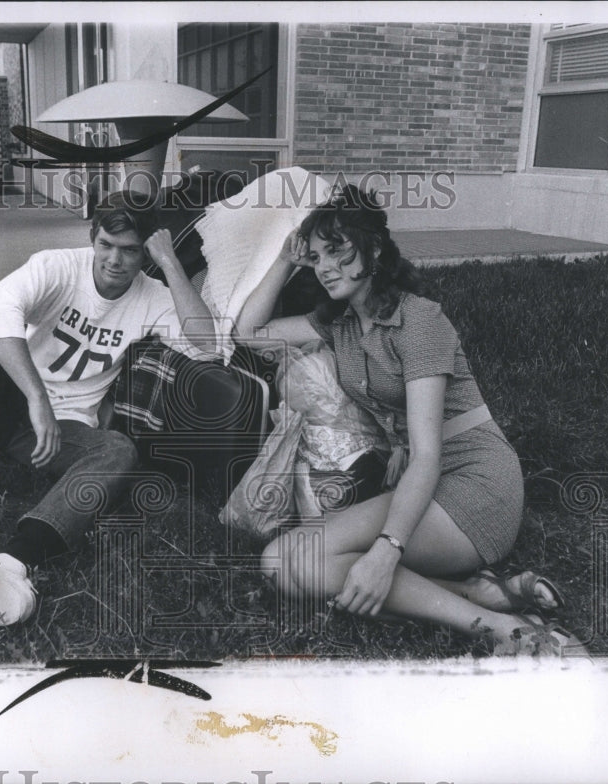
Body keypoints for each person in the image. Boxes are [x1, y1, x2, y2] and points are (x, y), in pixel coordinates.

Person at [234, 185, 581, 656]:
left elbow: (428, 454)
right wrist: (283, 261)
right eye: (315, 257)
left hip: (475, 485)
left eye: (337, 250)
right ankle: (474, 591)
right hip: (422, 482)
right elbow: (249, 333)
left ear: (374, 248)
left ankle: (497, 625)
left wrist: (385, 551)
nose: (325, 267)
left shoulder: (419, 321)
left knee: (311, 565)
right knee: (276, 562)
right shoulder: (341, 324)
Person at [0, 191, 220, 626]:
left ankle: (13, 561)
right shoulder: (57, 266)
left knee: (118, 450)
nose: (114, 260)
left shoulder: (153, 295)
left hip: (63, 431)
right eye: (106, 246)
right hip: (7, 406)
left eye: (130, 250)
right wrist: (36, 397)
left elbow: (210, 347)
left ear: (145, 250)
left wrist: (170, 263)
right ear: (92, 239)